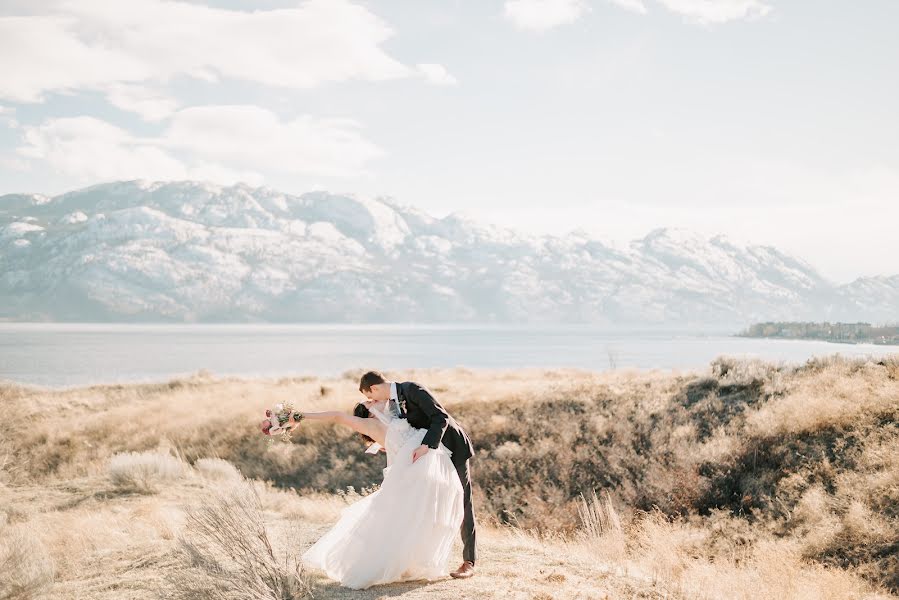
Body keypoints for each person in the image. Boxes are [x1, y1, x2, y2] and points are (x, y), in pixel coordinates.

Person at [291, 393, 465, 589]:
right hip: (413, 473)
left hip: (421, 470)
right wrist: (300, 416)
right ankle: (384, 564)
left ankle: (409, 563)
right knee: (406, 519)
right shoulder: (369, 425)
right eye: (370, 402)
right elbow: (337, 416)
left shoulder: (392, 421)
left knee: (418, 518)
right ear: (368, 413)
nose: (375, 401)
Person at [359, 371, 477, 579]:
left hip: (451, 447)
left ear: (375, 388)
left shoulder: (413, 389)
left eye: (371, 397)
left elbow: (440, 417)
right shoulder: (392, 403)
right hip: (432, 456)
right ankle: (424, 559)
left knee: (463, 502)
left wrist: (426, 446)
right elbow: (404, 428)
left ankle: (469, 562)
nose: (372, 401)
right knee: (427, 503)